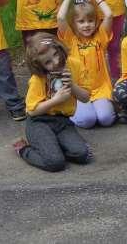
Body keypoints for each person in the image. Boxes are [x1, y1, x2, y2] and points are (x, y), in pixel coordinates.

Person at [12, 33, 91, 172]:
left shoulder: (75, 65)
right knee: (55, 163)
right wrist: (55, 101)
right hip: (39, 121)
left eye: (56, 54)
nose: (55, 62)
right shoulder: (38, 78)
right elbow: (32, 110)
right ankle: (23, 149)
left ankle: (52, 146)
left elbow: (85, 97)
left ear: (59, 48)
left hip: (63, 121)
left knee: (82, 155)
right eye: (48, 62)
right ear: (40, 66)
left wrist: (72, 86)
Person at [57, 0, 116, 128]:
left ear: (96, 22)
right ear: (74, 23)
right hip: (78, 89)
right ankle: (69, 111)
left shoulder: (100, 36)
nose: (86, 25)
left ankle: (100, 107)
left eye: (90, 21)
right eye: (81, 21)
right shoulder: (71, 39)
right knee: (88, 121)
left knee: (105, 119)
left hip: (100, 89)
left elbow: (108, 15)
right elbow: (60, 17)